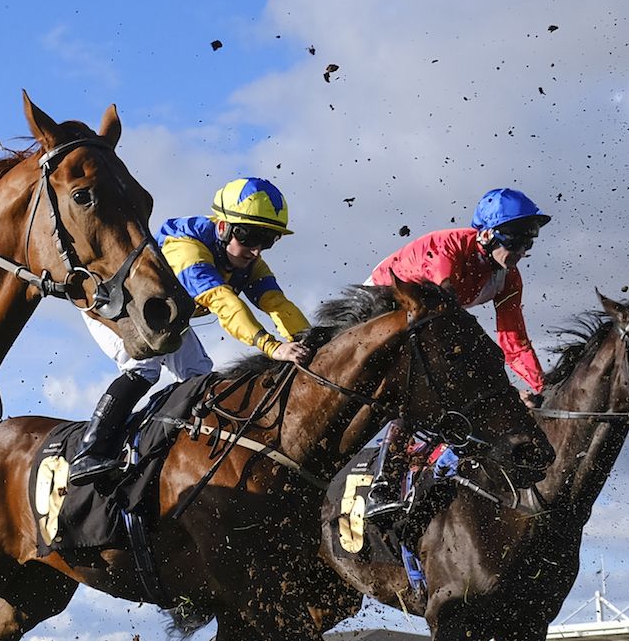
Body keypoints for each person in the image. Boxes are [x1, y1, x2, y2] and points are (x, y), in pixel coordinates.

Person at [66, 177, 313, 484]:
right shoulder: (186, 250)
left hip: (164, 317)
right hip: (115, 306)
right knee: (144, 366)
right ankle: (88, 453)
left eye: (268, 239)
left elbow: (276, 302)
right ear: (222, 227)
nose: (256, 250)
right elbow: (223, 302)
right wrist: (272, 346)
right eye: (249, 236)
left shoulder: (247, 259)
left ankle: (163, 447)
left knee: (199, 377)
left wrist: (310, 340)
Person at [361, 187, 550, 520]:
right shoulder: (449, 249)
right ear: (489, 234)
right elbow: (447, 317)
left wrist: (539, 386)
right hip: (383, 305)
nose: (521, 250)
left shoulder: (509, 278)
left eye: (528, 243)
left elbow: (513, 336)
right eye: (515, 241)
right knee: (426, 380)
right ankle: (383, 483)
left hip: (427, 316)